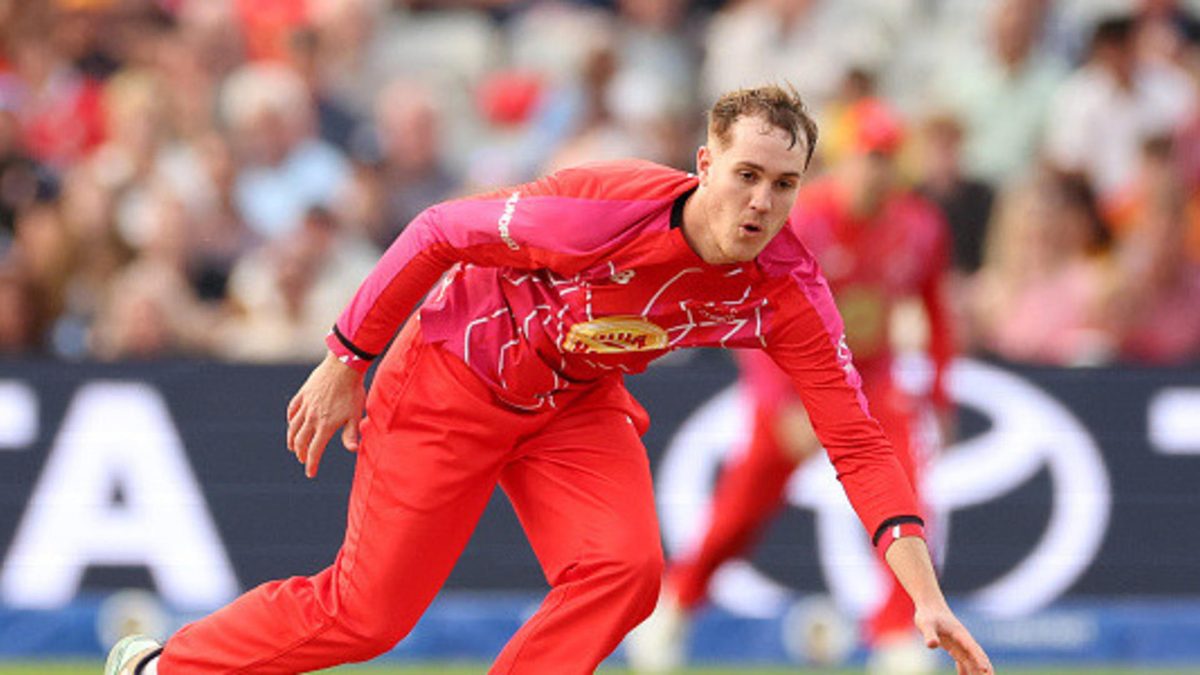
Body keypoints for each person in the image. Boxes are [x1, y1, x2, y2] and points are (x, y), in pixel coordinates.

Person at [106, 85, 992, 675]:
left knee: (627, 569)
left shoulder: (790, 291)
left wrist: (924, 595)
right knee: (367, 617)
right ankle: (157, 666)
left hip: (574, 400)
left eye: (784, 184)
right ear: (705, 165)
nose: (760, 202)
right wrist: (348, 355)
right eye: (746, 176)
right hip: (454, 378)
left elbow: (861, 442)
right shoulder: (598, 215)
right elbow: (436, 231)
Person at [626, 97, 957, 674]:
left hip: (869, 381)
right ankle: (677, 603)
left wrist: (940, 394)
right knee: (740, 509)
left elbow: (936, 313)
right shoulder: (805, 217)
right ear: (845, 158)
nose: (875, 170)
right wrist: (779, 399)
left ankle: (896, 636)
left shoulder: (920, 227)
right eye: (866, 155)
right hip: (796, 375)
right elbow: (752, 304)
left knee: (905, 499)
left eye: (886, 158)